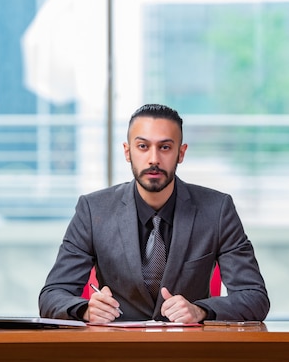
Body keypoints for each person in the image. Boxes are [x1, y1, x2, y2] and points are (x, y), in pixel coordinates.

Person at [38, 104, 269, 323]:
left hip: (188, 350)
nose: (154, 159)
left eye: (165, 147)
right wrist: (86, 309)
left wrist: (200, 310)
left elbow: (255, 297)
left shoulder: (217, 209)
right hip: (117, 350)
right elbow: (52, 295)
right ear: (127, 152)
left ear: (181, 152)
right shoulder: (93, 209)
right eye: (143, 146)